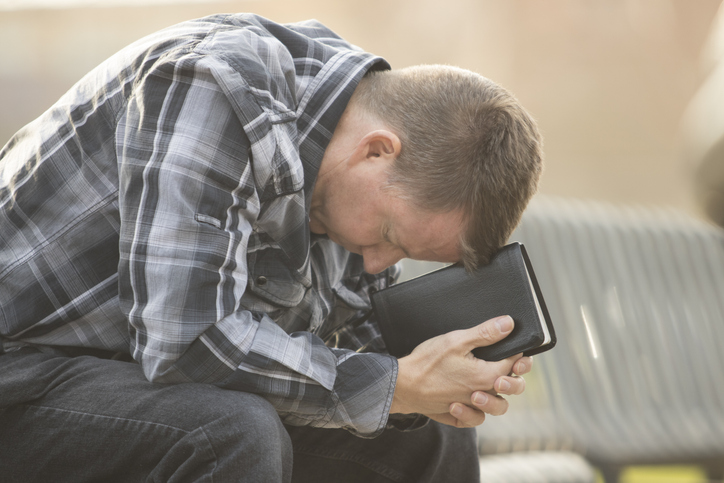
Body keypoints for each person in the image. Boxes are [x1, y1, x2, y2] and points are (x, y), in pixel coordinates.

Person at [0, 13, 543, 483]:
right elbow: (188, 341)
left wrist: (440, 380)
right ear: (376, 151)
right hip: (22, 377)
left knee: (429, 437)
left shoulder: (344, 174)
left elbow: (350, 350)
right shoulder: (215, 85)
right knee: (230, 431)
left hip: (134, 389)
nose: (378, 264)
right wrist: (396, 385)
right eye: (389, 237)